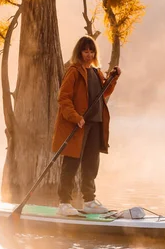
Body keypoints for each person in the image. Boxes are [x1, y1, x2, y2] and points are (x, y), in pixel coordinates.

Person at [51, 35, 121, 216]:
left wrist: (113, 78)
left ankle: (89, 200)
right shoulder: (73, 71)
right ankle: (64, 203)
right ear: (79, 52)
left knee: (91, 164)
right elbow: (63, 98)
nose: (89, 55)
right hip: (79, 126)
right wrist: (75, 117)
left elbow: (104, 92)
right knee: (71, 164)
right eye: (85, 51)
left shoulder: (96, 72)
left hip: (95, 124)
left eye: (91, 51)